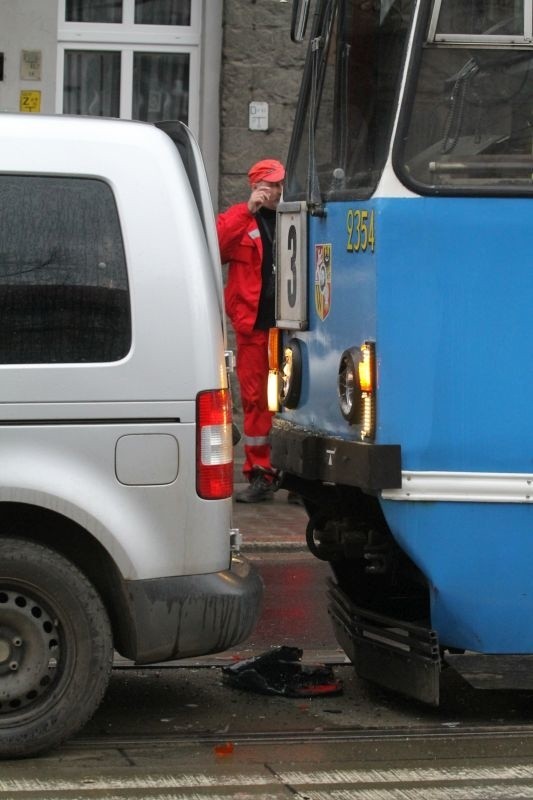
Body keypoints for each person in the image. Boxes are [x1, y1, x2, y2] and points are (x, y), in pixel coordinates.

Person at [217, 158, 285, 502]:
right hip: (254, 329)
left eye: (278, 185)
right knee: (257, 400)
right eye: (268, 185)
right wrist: (247, 210)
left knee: (293, 402)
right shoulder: (239, 219)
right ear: (255, 185)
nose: (274, 191)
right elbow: (215, 245)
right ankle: (260, 473)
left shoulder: (296, 218)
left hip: (291, 328)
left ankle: (293, 476)